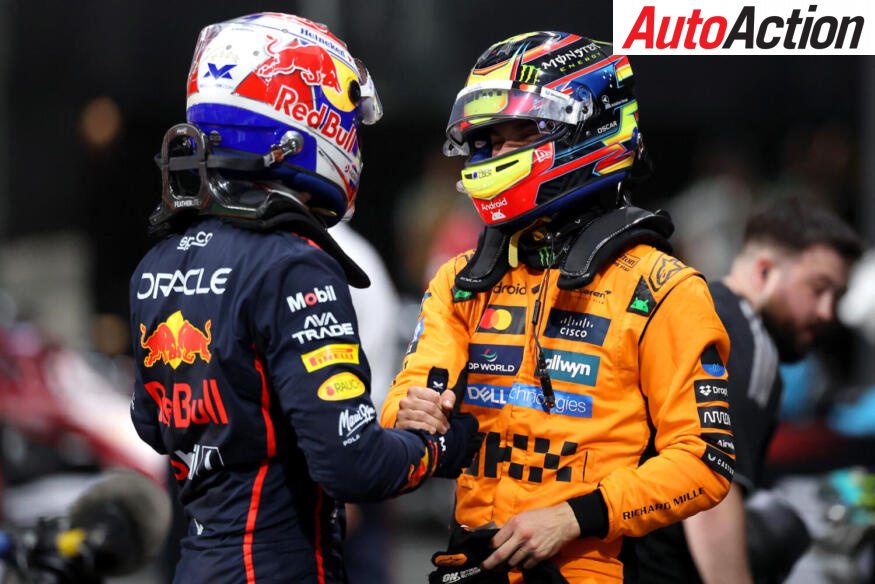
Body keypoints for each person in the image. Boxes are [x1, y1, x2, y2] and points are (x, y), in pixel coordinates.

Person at [128, 13, 481, 584]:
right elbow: (354, 464)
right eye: (345, 116)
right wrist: (451, 443)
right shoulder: (293, 262)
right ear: (304, 112)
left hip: (195, 565)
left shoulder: (158, 260)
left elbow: (150, 423)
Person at [380, 32, 735, 583]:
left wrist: (574, 517)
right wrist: (407, 413)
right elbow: (412, 392)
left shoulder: (665, 288)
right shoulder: (462, 281)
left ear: (590, 127)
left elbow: (705, 459)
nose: (498, 155)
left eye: (520, 136)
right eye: (490, 142)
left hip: (591, 567)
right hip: (471, 563)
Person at [637, 197, 863, 584]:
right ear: (764, 271)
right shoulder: (745, 342)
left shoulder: (697, 310)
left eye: (836, 297)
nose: (827, 311)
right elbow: (710, 499)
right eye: (818, 288)